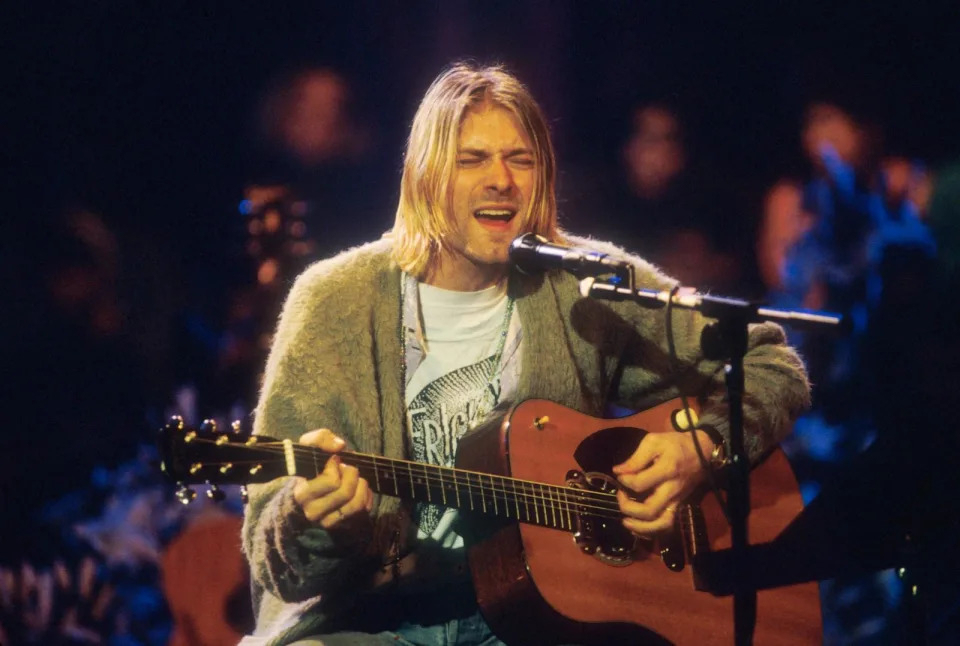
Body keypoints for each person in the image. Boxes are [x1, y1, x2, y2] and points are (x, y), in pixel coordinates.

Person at [239, 63, 811, 646]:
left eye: (520, 159)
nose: (501, 181)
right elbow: (276, 558)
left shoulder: (584, 287)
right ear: (423, 175)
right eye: (472, 159)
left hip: (547, 622)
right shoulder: (333, 301)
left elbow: (769, 365)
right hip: (375, 619)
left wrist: (701, 449)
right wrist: (316, 519)